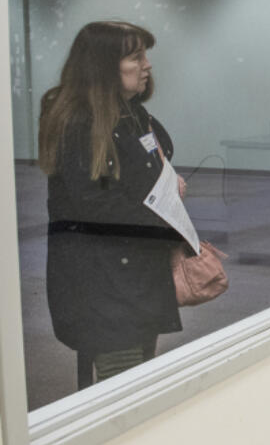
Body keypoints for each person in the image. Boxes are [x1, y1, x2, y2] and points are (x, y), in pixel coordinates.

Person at [38, 21, 186, 389]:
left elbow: (150, 158)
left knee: (137, 375)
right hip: (104, 286)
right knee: (120, 389)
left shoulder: (128, 111)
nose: (147, 65)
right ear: (103, 66)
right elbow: (96, 204)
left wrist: (165, 187)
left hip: (136, 274)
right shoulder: (78, 122)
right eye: (135, 57)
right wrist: (165, 215)